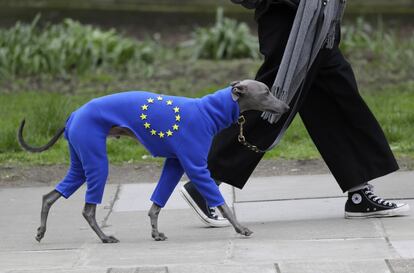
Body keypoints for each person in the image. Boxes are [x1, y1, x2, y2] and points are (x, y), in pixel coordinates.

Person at [179, 0, 410, 227]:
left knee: (334, 93)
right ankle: (204, 183)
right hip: (288, 16)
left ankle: (358, 193)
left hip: (316, 13)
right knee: (272, 100)